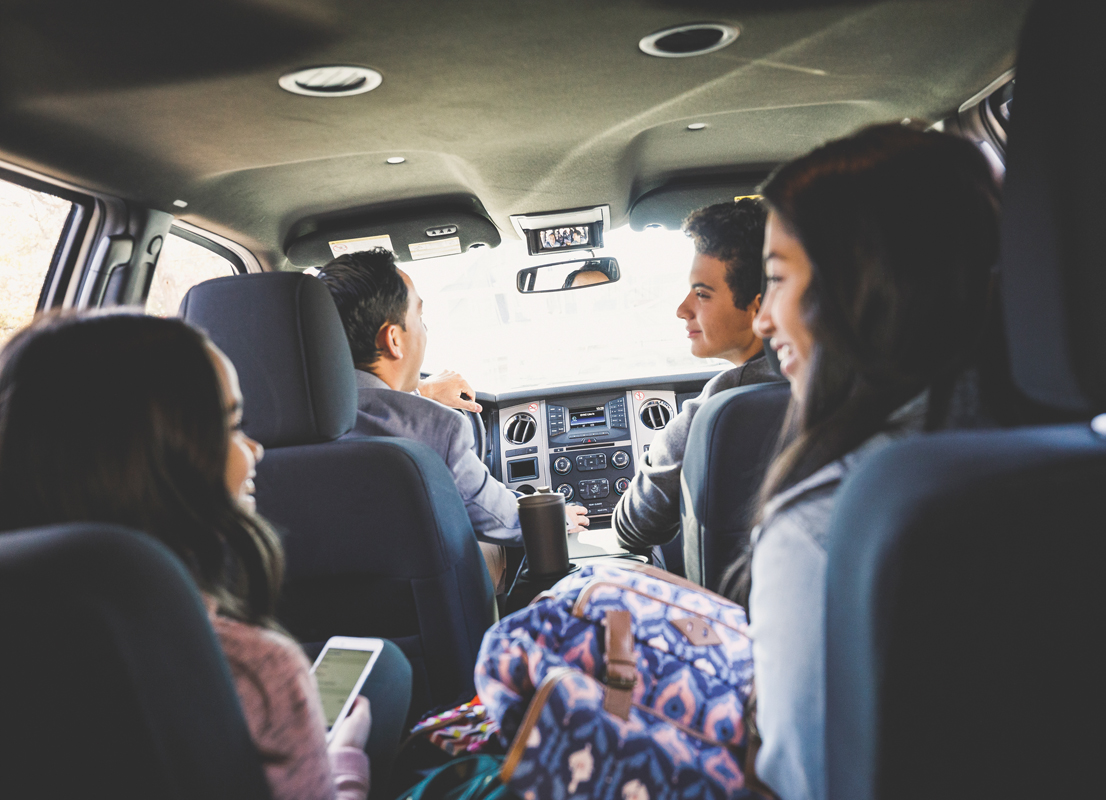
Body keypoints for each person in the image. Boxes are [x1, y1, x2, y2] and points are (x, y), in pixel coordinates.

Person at [0, 312, 410, 800]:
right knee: (386, 671)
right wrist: (343, 770)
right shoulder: (257, 672)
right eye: (233, 425)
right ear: (155, 460)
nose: (255, 449)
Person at [738, 123, 1005, 800]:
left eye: (775, 280)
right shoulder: (1097, 470)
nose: (763, 320)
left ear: (858, 284)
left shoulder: (824, 526)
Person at [316, 249, 589, 586]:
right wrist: (553, 516)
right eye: (420, 317)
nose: (425, 330)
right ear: (393, 339)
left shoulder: (273, 426)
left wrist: (421, 394)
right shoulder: (437, 428)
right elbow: (498, 518)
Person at [613, 198, 778, 550]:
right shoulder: (842, 380)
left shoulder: (717, 406)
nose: (681, 309)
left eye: (701, 294)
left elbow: (633, 528)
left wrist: (664, 444)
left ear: (758, 307)